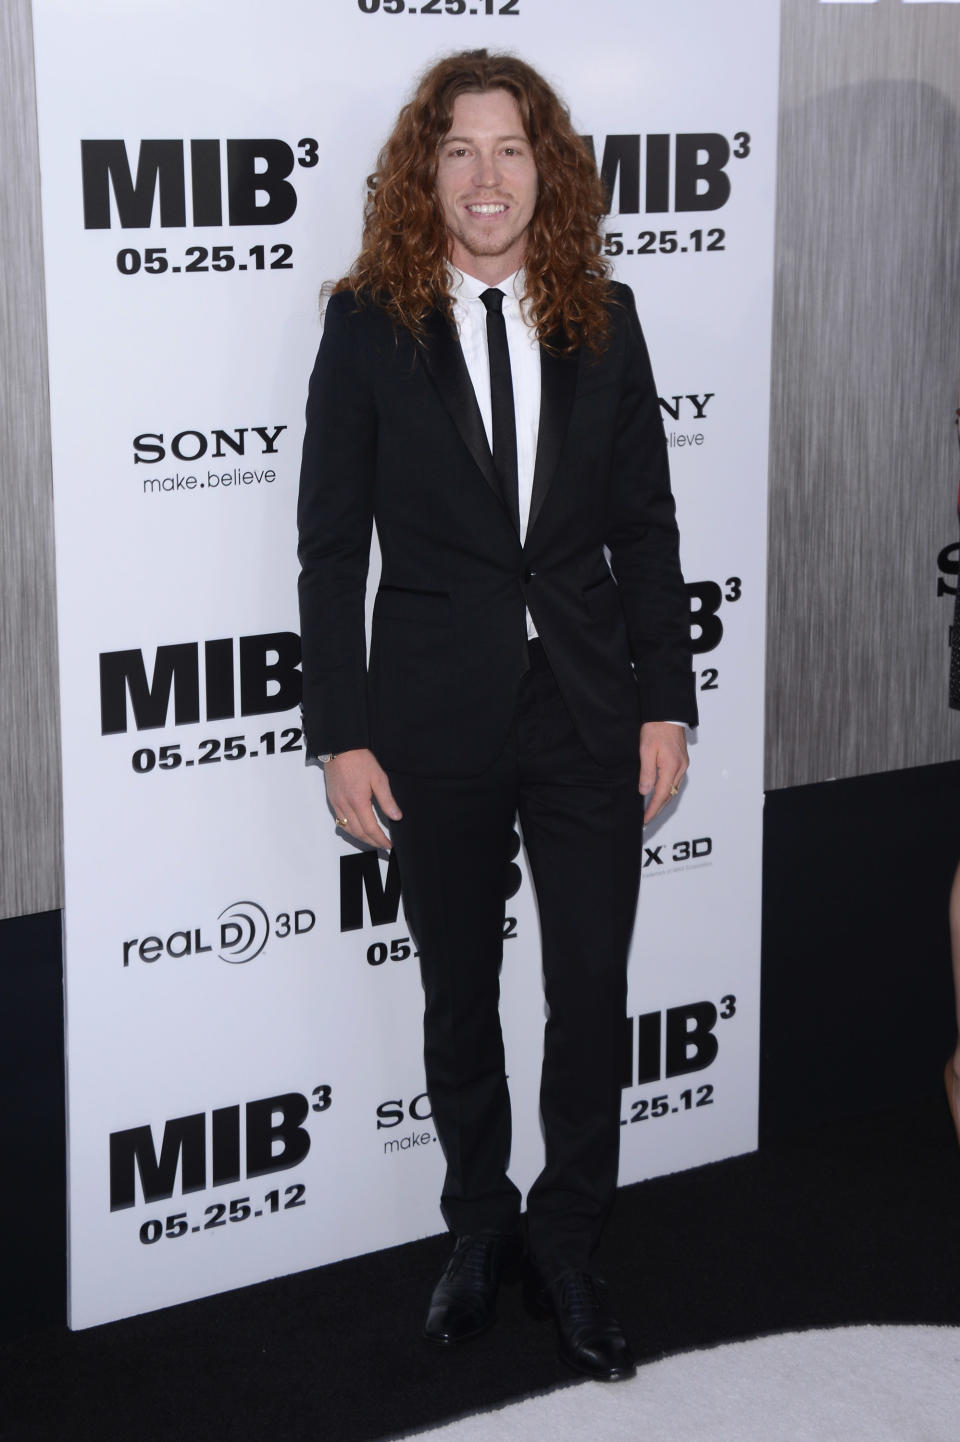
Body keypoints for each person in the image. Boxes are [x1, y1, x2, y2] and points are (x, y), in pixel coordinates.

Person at [297, 49, 697, 1382]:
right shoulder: (367, 321)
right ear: (428, 170)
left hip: (587, 704)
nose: (485, 176)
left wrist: (667, 703)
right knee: (457, 987)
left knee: (590, 986)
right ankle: (478, 1222)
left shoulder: (606, 314)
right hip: (433, 711)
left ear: (549, 168)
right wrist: (340, 730)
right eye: (459, 149)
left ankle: (571, 1235)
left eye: (511, 148)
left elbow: (644, 524)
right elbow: (326, 542)